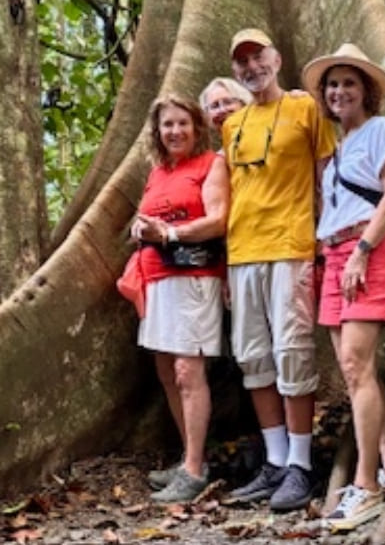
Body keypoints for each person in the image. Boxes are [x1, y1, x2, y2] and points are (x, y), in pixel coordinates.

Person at [221, 28, 337, 511]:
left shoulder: (305, 108)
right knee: (253, 358)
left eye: (258, 56)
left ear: (277, 57)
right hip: (242, 252)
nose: (251, 67)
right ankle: (274, 461)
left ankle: (302, 466)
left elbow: (327, 173)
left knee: (292, 352)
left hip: (290, 245)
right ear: (235, 71)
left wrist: (328, 238)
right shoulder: (232, 125)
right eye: (242, 62)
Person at [301, 43, 385, 530]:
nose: (339, 91)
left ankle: (363, 487)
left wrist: (362, 251)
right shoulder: (338, 147)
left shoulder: (380, 130)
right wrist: (322, 260)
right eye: (333, 84)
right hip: (335, 255)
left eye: (349, 82)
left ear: (366, 91)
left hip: (368, 252)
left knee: (355, 364)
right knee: (354, 371)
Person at [128, 94, 230, 503]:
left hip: (195, 278)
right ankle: (193, 457)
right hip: (157, 279)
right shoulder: (157, 172)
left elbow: (218, 220)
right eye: (167, 125)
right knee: (167, 370)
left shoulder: (211, 165)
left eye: (182, 124)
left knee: (190, 370)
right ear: (158, 131)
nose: (175, 132)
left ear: (197, 127)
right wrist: (141, 228)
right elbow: (145, 216)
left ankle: (193, 469)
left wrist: (169, 233)